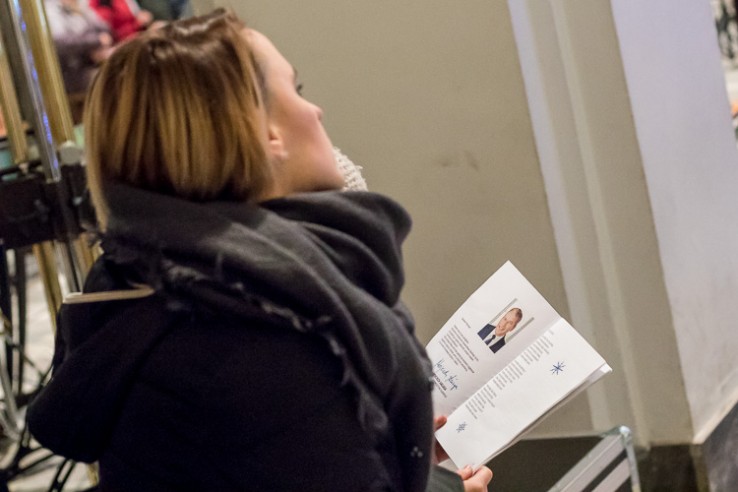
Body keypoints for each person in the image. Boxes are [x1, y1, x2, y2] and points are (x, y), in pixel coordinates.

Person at [27, 9, 492, 492]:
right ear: (265, 134)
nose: (316, 111)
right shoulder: (264, 339)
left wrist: (389, 449)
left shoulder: (155, 283)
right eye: (298, 89)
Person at [44, 0, 114, 121]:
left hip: (89, 64)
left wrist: (82, 12)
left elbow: (105, 28)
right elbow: (60, 44)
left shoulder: (79, 5)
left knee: (121, 70)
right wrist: (95, 41)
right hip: (70, 74)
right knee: (110, 79)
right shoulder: (50, 9)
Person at [88, 0, 155, 42]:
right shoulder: (97, 7)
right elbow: (114, 34)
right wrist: (137, 24)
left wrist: (142, 16)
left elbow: (135, 12)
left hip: (141, 31)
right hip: (125, 40)